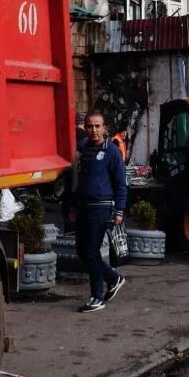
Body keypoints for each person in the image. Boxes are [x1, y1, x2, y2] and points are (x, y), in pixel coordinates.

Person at [73, 112, 128, 312]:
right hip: (83, 207)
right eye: (89, 126)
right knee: (81, 251)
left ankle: (97, 297)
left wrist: (120, 210)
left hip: (102, 207)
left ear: (105, 128)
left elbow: (121, 184)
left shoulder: (112, 151)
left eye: (97, 126)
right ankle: (114, 277)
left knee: (91, 251)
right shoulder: (82, 149)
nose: (93, 130)